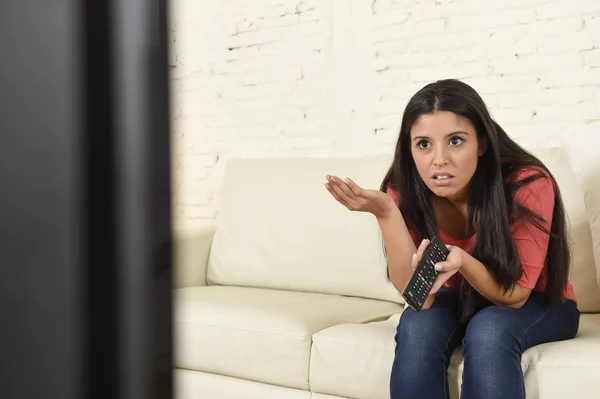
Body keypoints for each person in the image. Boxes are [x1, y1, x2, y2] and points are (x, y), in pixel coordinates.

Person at [324, 79, 579, 399]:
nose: (438, 159)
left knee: (489, 330)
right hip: (459, 299)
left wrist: (462, 259)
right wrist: (387, 213)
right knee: (416, 326)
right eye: (424, 144)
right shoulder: (403, 188)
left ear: (482, 143)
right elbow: (420, 298)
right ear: (410, 148)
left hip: (540, 301)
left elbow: (514, 296)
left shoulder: (526, 183)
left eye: (455, 140)